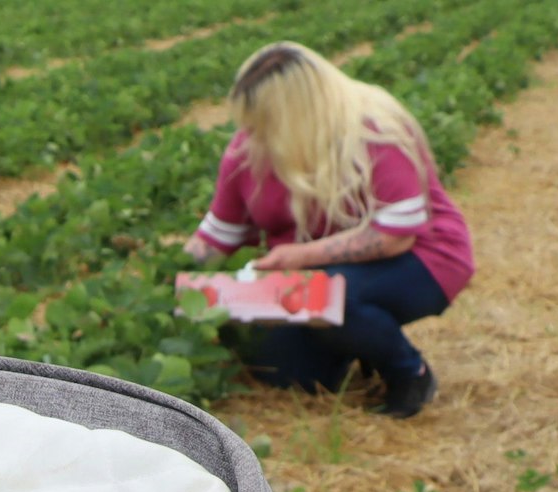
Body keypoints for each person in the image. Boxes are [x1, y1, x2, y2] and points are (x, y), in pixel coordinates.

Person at [183, 42, 475, 418]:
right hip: (311, 278)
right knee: (285, 371)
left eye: (266, 123)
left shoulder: (373, 131)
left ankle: (409, 373)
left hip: (421, 260)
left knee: (330, 294)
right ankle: (352, 341)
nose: (253, 135)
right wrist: (172, 286)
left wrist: (299, 256)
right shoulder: (248, 149)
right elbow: (216, 236)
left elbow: (395, 235)